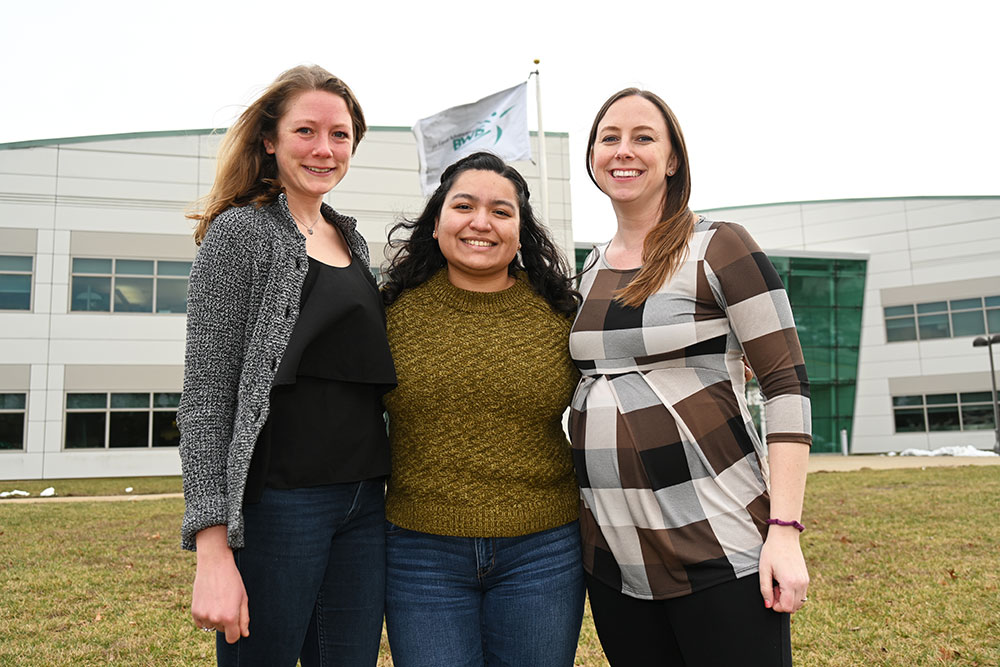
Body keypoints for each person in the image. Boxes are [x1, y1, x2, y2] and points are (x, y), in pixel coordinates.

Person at [569, 88, 812, 666]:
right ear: (593, 155)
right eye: (610, 138)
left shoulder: (718, 246)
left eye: (643, 138)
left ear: (673, 159)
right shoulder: (589, 268)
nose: (623, 151)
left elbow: (786, 385)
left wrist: (784, 529)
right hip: (616, 558)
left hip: (718, 544)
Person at [178, 65, 395, 667]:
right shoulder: (240, 233)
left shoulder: (350, 239)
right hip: (278, 506)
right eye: (306, 131)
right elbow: (205, 399)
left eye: (340, 135)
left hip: (363, 502)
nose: (324, 149)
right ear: (270, 140)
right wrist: (213, 551)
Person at [380, 151, 585, 667]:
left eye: (501, 211)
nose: (481, 223)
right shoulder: (387, 313)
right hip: (420, 551)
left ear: (521, 231)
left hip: (543, 550)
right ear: (436, 221)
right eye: (464, 205)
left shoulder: (563, 315)